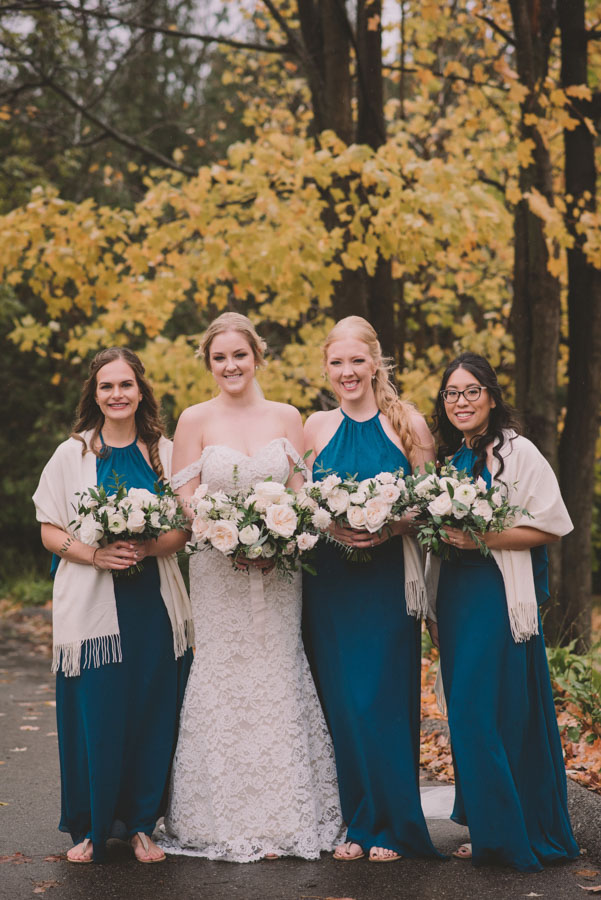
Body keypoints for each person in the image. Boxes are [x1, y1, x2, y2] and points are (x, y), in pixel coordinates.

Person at [159, 312, 343, 862]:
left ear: (257, 356)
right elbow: (184, 499)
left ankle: (286, 814)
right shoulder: (194, 419)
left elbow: (301, 493)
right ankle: (218, 816)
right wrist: (223, 534)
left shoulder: (288, 416)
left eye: (239, 354)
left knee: (277, 668)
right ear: (208, 363)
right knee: (224, 672)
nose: (230, 365)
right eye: (219, 357)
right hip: (217, 573)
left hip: (279, 572)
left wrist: (277, 540)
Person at [32, 347, 194, 864]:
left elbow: (184, 531)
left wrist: (147, 546)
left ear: (141, 391)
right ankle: (90, 828)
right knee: (96, 716)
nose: (117, 394)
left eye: (126, 384)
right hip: (92, 612)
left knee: (150, 714)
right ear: (95, 394)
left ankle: (143, 825)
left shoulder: (165, 453)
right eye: (107, 386)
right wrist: (95, 555)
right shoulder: (72, 454)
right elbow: (49, 529)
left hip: (152, 607)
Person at [427, 351, 580, 872]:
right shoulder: (451, 459)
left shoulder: (518, 452)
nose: (461, 401)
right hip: (456, 597)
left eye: (472, 391)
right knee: (472, 713)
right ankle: (492, 825)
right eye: (452, 393)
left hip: (498, 597)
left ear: (491, 397)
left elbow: (550, 525)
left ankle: (510, 836)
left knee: (485, 713)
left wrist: (483, 539)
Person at [302, 315, 441, 863]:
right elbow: (301, 504)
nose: (348, 371)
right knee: (342, 703)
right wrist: (328, 524)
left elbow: (431, 505)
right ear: (326, 368)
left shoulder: (408, 423)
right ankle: (357, 822)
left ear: (376, 362)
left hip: (387, 582)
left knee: (381, 699)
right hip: (330, 584)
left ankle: (394, 824)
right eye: (337, 362)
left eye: (357, 360)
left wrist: (393, 523)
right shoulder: (314, 427)